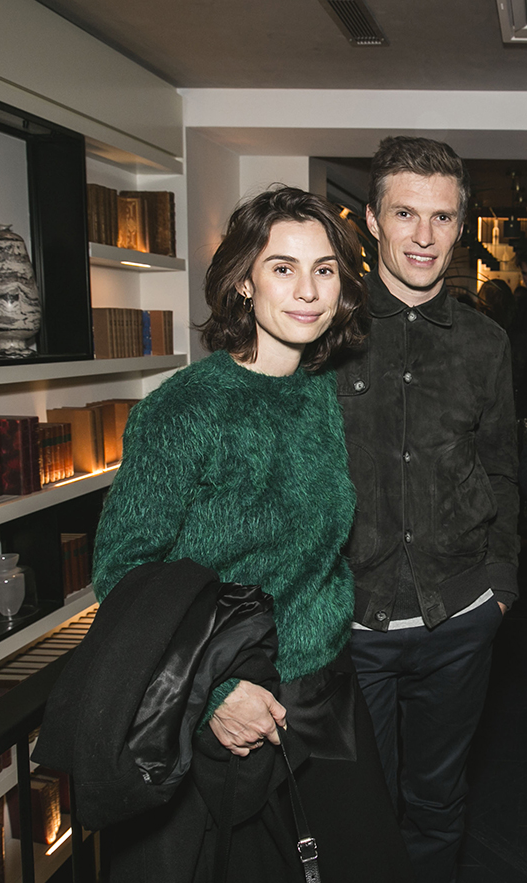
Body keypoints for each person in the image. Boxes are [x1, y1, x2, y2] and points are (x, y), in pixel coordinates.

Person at [91, 186, 414, 882]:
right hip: (224, 710)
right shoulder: (184, 409)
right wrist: (213, 692)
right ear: (243, 279)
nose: (308, 290)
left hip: (322, 693)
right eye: (282, 267)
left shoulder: (324, 391)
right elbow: (122, 572)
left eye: (325, 269)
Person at [337, 136, 520, 883]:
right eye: (405, 213)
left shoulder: (487, 343)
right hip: (353, 623)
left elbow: (504, 467)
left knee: (440, 802)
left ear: (460, 225)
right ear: (372, 221)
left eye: (441, 218)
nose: (423, 236)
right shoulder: (328, 335)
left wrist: (501, 589)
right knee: (360, 803)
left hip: (460, 617)